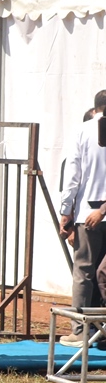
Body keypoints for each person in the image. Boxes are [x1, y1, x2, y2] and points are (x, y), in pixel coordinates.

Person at [59, 88, 106, 346]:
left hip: (88, 212)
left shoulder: (82, 131)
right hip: (96, 211)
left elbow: (72, 175)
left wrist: (66, 211)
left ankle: (80, 331)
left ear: (95, 107)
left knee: (84, 272)